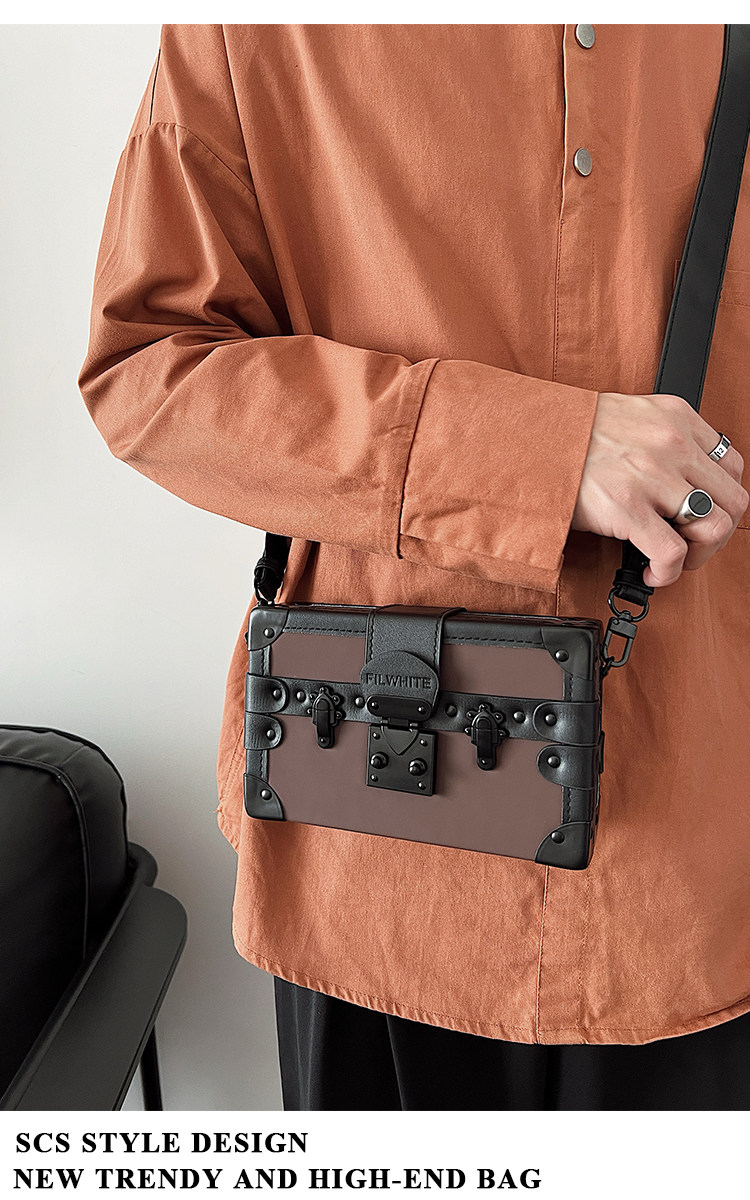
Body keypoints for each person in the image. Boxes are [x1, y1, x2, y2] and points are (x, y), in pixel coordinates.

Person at [78, 24, 750, 1110]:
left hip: (709, 865)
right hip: (386, 871)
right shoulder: (257, 27)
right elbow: (150, 371)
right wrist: (537, 452)